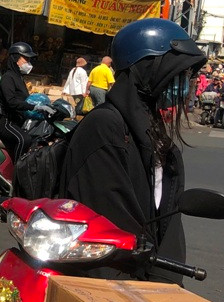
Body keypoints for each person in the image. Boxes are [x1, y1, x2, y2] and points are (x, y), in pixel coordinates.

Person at [61, 18, 206, 281]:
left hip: (153, 287)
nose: (185, 84)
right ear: (149, 69)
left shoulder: (149, 126)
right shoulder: (105, 127)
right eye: (179, 73)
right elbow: (110, 228)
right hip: (114, 287)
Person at [0, 41, 51, 160]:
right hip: (7, 121)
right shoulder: (8, 77)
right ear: (15, 58)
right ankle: (18, 171)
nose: (28, 63)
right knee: (24, 140)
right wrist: (34, 107)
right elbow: (11, 101)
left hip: (19, 120)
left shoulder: (19, 78)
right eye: (26, 59)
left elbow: (24, 98)